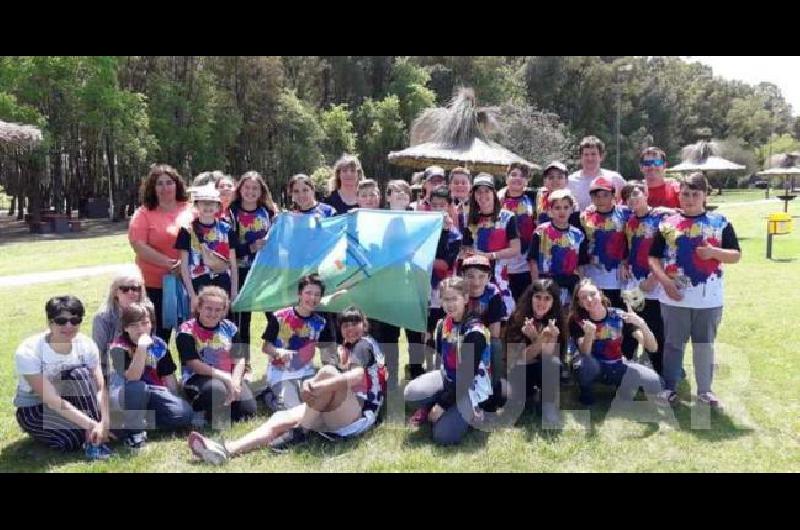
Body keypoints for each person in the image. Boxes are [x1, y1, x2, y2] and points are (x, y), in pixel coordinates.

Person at [187, 306, 387, 463]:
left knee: (326, 373)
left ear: (365, 324)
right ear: (340, 329)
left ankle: (301, 431)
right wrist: (312, 383)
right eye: (345, 325)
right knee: (279, 418)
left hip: (359, 414)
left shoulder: (364, 344)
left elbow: (356, 376)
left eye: (355, 323)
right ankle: (226, 449)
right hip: (341, 408)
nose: (351, 329)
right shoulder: (346, 348)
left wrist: (318, 386)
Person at [648, 172, 741, 409]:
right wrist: (666, 283)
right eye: (685, 194)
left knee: (704, 345)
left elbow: (736, 255)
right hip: (673, 298)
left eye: (695, 194)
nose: (689, 199)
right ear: (679, 195)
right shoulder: (667, 224)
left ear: (705, 196)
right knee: (673, 345)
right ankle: (669, 388)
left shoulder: (720, 222)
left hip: (708, 299)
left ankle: (705, 392)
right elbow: (653, 258)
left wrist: (713, 253)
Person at [14, 296, 113, 458]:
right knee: (72, 440)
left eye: (75, 320)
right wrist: (92, 424)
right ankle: (87, 434)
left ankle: (94, 435)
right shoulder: (28, 351)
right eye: (61, 321)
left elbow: (100, 388)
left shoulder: (86, 345)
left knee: (79, 374)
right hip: (36, 406)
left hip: (75, 400)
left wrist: (105, 422)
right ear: (49, 322)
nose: (69, 326)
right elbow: (52, 400)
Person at [403, 277, 493, 446]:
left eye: (454, 299)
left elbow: (466, 379)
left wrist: (442, 405)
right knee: (411, 393)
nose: (450, 304)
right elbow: (441, 360)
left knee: (443, 436)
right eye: (446, 299)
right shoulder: (442, 324)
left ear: (465, 299)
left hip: (469, 387)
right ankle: (431, 407)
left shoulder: (475, 332)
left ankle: (474, 411)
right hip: (449, 378)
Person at [108, 302, 194, 448]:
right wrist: (141, 348)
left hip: (155, 393)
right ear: (125, 328)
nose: (140, 329)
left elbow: (169, 377)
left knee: (184, 414)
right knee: (138, 387)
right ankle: (135, 435)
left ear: (151, 324)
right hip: (127, 394)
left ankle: (141, 422)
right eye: (134, 325)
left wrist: (175, 400)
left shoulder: (159, 345)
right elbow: (132, 377)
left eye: (144, 323)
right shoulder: (118, 347)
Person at [568, 279, 662, 406]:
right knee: (585, 364)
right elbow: (585, 353)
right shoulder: (577, 321)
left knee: (657, 382)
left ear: (600, 294)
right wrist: (589, 335)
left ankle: (623, 386)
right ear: (579, 303)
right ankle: (587, 395)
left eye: (592, 294)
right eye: (584, 298)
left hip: (616, 364)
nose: (589, 300)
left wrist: (641, 323)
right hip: (593, 365)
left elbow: (652, 347)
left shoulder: (619, 315)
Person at [129, 164, 194, 342]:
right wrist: (170, 264)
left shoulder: (191, 209)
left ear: (177, 184)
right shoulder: (143, 213)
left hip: (188, 283)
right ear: (152, 188)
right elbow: (138, 245)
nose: (165, 188)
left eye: (169, 182)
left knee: (189, 335)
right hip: (154, 285)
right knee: (158, 336)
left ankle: (191, 369)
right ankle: (158, 369)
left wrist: (186, 266)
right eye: (160, 184)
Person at [176, 286, 256, 428]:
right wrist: (225, 377)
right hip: (199, 376)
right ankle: (198, 408)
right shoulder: (186, 331)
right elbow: (194, 364)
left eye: (218, 310)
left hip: (229, 377)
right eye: (208, 308)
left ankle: (219, 407)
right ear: (199, 307)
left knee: (247, 411)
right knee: (217, 391)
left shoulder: (230, 327)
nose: (213, 313)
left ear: (224, 311)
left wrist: (236, 381)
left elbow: (240, 359)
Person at [579, 176, 638, 359]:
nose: (601, 199)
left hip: (620, 279)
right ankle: (593, 358)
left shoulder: (626, 214)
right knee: (594, 319)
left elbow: (634, 242)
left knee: (625, 319)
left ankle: (626, 357)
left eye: (605, 195)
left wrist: (626, 261)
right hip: (593, 278)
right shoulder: (584, 216)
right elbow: (580, 246)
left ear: (613, 195)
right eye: (596, 195)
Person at [228, 171, 281, 365]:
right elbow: (229, 246)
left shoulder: (269, 212)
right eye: (247, 187)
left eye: (255, 188)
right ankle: (243, 365)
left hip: (266, 272)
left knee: (276, 315)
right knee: (242, 321)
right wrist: (249, 247)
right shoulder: (231, 213)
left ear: (261, 192)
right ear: (240, 189)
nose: (250, 192)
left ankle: (278, 356)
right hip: (242, 272)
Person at [261, 275, 331, 412]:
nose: (312, 298)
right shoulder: (278, 317)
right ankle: (269, 396)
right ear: (299, 294)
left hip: (306, 372)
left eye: (317, 294)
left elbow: (326, 351)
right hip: (280, 372)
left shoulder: (321, 323)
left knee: (318, 406)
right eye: (308, 293)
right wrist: (278, 352)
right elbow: (265, 347)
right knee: (293, 410)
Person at [621, 181, 670, 376]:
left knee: (655, 328)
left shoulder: (662, 218)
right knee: (631, 326)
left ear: (646, 193)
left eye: (635, 193)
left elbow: (669, 251)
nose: (632, 199)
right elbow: (630, 246)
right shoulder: (629, 220)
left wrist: (655, 278)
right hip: (634, 281)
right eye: (627, 196)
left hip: (655, 283)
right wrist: (625, 262)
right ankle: (627, 369)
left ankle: (660, 372)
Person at [503, 280, 565, 425]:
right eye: (538, 297)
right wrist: (540, 340)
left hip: (542, 368)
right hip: (518, 371)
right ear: (530, 298)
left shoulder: (556, 321)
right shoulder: (517, 319)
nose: (541, 302)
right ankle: (528, 397)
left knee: (553, 363)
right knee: (517, 401)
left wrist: (545, 337)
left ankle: (548, 405)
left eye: (547, 298)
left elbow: (551, 359)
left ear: (553, 302)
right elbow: (518, 359)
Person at [461, 172, 520, 314]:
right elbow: (465, 249)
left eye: (486, 191)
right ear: (473, 195)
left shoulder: (508, 217)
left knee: (504, 316)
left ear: (494, 193)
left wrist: (488, 256)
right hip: (476, 278)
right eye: (478, 191)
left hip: (500, 277)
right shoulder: (469, 219)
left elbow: (515, 249)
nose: (482, 195)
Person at [175, 184, 238, 311]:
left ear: (218, 206)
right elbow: (184, 266)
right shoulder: (187, 231)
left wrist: (234, 292)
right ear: (197, 205)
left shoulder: (227, 230)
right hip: (199, 284)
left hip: (223, 283)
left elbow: (233, 264)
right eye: (204, 203)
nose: (208, 207)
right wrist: (192, 296)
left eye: (212, 203)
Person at [527, 189, 586, 310]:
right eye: (557, 208)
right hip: (547, 282)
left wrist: (580, 288)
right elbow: (532, 261)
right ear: (550, 211)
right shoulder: (541, 231)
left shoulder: (578, 234)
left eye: (566, 207)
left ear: (571, 209)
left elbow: (581, 265)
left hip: (570, 284)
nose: (562, 211)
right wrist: (536, 286)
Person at [92, 266, 152, 379]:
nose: (131, 292)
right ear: (115, 292)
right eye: (124, 289)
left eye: (135, 288)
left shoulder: (147, 312)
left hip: (146, 368)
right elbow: (98, 356)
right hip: (113, 373)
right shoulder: (103, 318)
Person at [498, 162, 536, 302]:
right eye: (513, 174)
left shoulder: (534, 198)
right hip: (502, 263)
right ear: (506, 178)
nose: (517, 178)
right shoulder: (497, 199)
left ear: (527, 181)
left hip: (524, 265)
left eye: (522, 176)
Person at [568, 136, 626, 212]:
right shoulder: (570, 181)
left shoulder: (615, 178)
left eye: (593, 154)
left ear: (601, 156)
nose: (590, 158)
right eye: (586, 155)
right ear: (581, 157)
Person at [536, 161, 578, 226]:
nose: (555, 180)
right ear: (544, 181)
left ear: (566, 181)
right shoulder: (541, 196)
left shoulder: (572, 201)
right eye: (551, 177)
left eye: (560, 177)